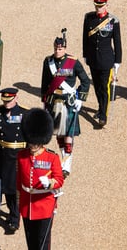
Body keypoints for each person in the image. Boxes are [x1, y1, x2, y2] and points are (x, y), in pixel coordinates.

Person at [41, 33, 90, 177]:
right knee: (59, 134)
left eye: (60, 49)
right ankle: (63, 158)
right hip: (53, 102)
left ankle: (67, 165)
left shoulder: (73, 62)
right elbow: (45, 83)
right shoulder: (48, 61)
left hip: (68, 102)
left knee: (68, 134)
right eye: (56, 48)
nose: (58, 51)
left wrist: (80, 98)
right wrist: (44, 101)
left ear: (65, 48)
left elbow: (85, 81)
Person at [17, 107, 64, 250]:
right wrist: (19, 201)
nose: (32, 146)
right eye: (31, 142)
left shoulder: (52, 157)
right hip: (27, 205)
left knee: (43, 244)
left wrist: (49, 184)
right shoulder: (22, 156)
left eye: (35, 143)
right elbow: (19, 181)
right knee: (31, 243)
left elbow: (59, 180)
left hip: (44, 205)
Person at [0, 87, 27, 233]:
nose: (7, 103)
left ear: (16, 98)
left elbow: (28, 137)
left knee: (14, 189)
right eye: (5, 100)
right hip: (3, 154)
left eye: (9, 100)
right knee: (3, 186)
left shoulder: (24, 113)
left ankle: (14, 219)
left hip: (17, 155)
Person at [82, 0, 122, 128]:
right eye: (97, 6)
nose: (98, 9)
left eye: (101, 6)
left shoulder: (113, 21)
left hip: (106, 60)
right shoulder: (89, 18)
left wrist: (117, 61)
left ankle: (103, 115)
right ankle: (100, 108)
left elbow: (117, 42)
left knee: (104, 88)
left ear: (106, 5)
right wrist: (85, 54)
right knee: (98, 87)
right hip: (93, 59)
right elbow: (85, 38)